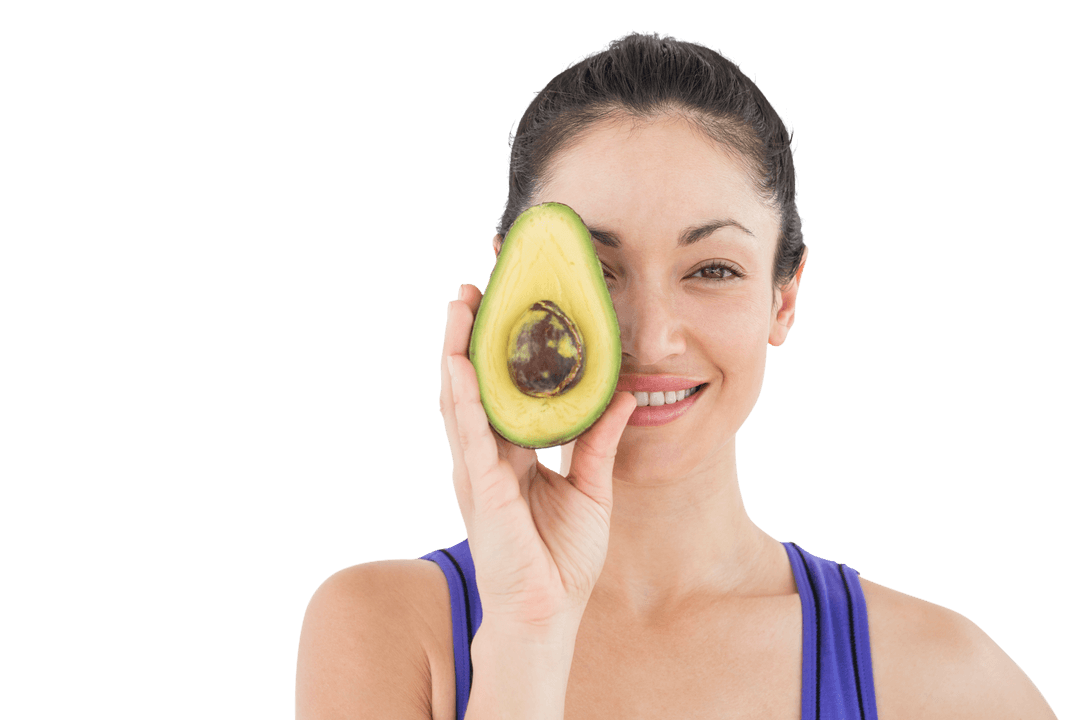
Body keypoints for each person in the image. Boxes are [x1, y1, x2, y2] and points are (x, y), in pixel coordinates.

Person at [294, 32, 1057, 719]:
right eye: (596, 270)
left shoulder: (942, 678)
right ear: (507, 293)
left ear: (783, 299)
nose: (650, 338)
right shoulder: (382, 628)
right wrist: (528, 629)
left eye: (714, 269)